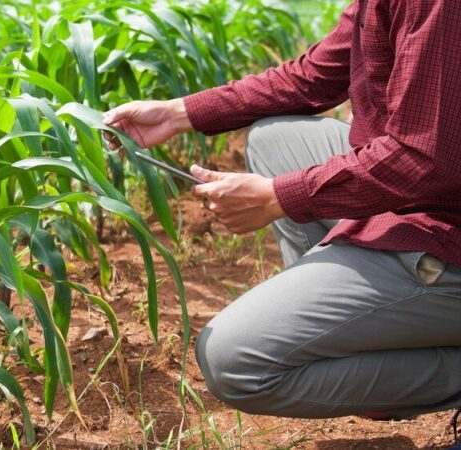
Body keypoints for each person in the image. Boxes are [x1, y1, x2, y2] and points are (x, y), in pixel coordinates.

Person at [103, 0, 461, 421]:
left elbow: (422, 159)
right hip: (425, 195)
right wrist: (178, 113)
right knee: (275, 140)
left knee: (234, 362)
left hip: (443, 225)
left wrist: (278, 196)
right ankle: (353, 325)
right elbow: (312, 76)